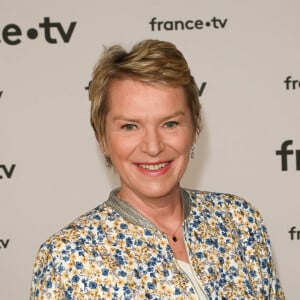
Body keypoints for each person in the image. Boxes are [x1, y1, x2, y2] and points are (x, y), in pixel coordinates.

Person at [30, 39, 285, 299]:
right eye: (130, 126)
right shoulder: (67, 257)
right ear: (102, 138)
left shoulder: (239, 222)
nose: (153, 147)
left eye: (170, 123)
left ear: (195, 128)